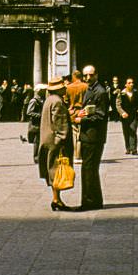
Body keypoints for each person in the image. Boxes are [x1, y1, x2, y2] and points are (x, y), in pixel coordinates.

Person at [74, 64, 109, 211]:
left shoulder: (100, 92)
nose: (88, 78)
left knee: (89, 169)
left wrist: (81, 120)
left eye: (91, 75)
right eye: (86, 75)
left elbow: (100, 115)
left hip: (94, 136)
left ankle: (89, 202)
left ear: (96, 75)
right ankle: (95, 201)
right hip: (89, 135)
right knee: (90, 169)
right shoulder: (90, 89)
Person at [38, 77, 74, 211]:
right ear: (59, 89)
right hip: (56, 142)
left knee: (53, 170)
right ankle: (56, 200)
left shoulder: (49, 100)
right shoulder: (58, 102)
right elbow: (60, 124)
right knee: (57, 169)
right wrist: (61, 140)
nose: (66, 88)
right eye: (64, 86)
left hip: (47, 140)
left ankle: (56, 198)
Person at [65, 69, 87, 160]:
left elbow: (66, 101)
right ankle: (80, 155)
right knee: (82, 133)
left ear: (73, 77)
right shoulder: (86, 86)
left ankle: (75, 155)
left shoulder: (69, 87)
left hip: (73, 112)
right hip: (83, 112)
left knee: (74, 134)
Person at [118, 76, 138, 155]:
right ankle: (128, 148)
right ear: (125, 84)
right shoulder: (121, 94)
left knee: (133, 130)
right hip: (125, 116)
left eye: (132, 83)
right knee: (126, 132)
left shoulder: (136, 92)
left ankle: (133, 148)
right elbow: (118, 105)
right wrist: (122, 112)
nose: (131, 84)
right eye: (129, 83)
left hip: (134, 115)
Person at [26, 84, 46, 163]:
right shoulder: (34, 101)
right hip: (35, 124)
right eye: (43, 90)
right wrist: (39, 115)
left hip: (41, 124)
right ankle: (36, 157)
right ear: (39, 91)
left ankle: (40, 156)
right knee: (37, 141)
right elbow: (29, 112)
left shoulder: (42, 99)